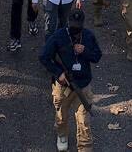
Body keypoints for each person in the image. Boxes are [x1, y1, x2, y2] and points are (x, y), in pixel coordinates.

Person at [39, 9, 101, 152]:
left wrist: (85, 51)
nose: (75, 29)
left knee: (84, 121)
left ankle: (85, 148)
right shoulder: (58, 37)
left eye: (78, 26)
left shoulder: (88, 36)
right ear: (68, 23)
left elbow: (97, 56)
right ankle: (62, 135)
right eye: (73, 26)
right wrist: (58, 73)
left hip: (83, 87)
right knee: (61, 116)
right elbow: (44, 57)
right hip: (63, 87)